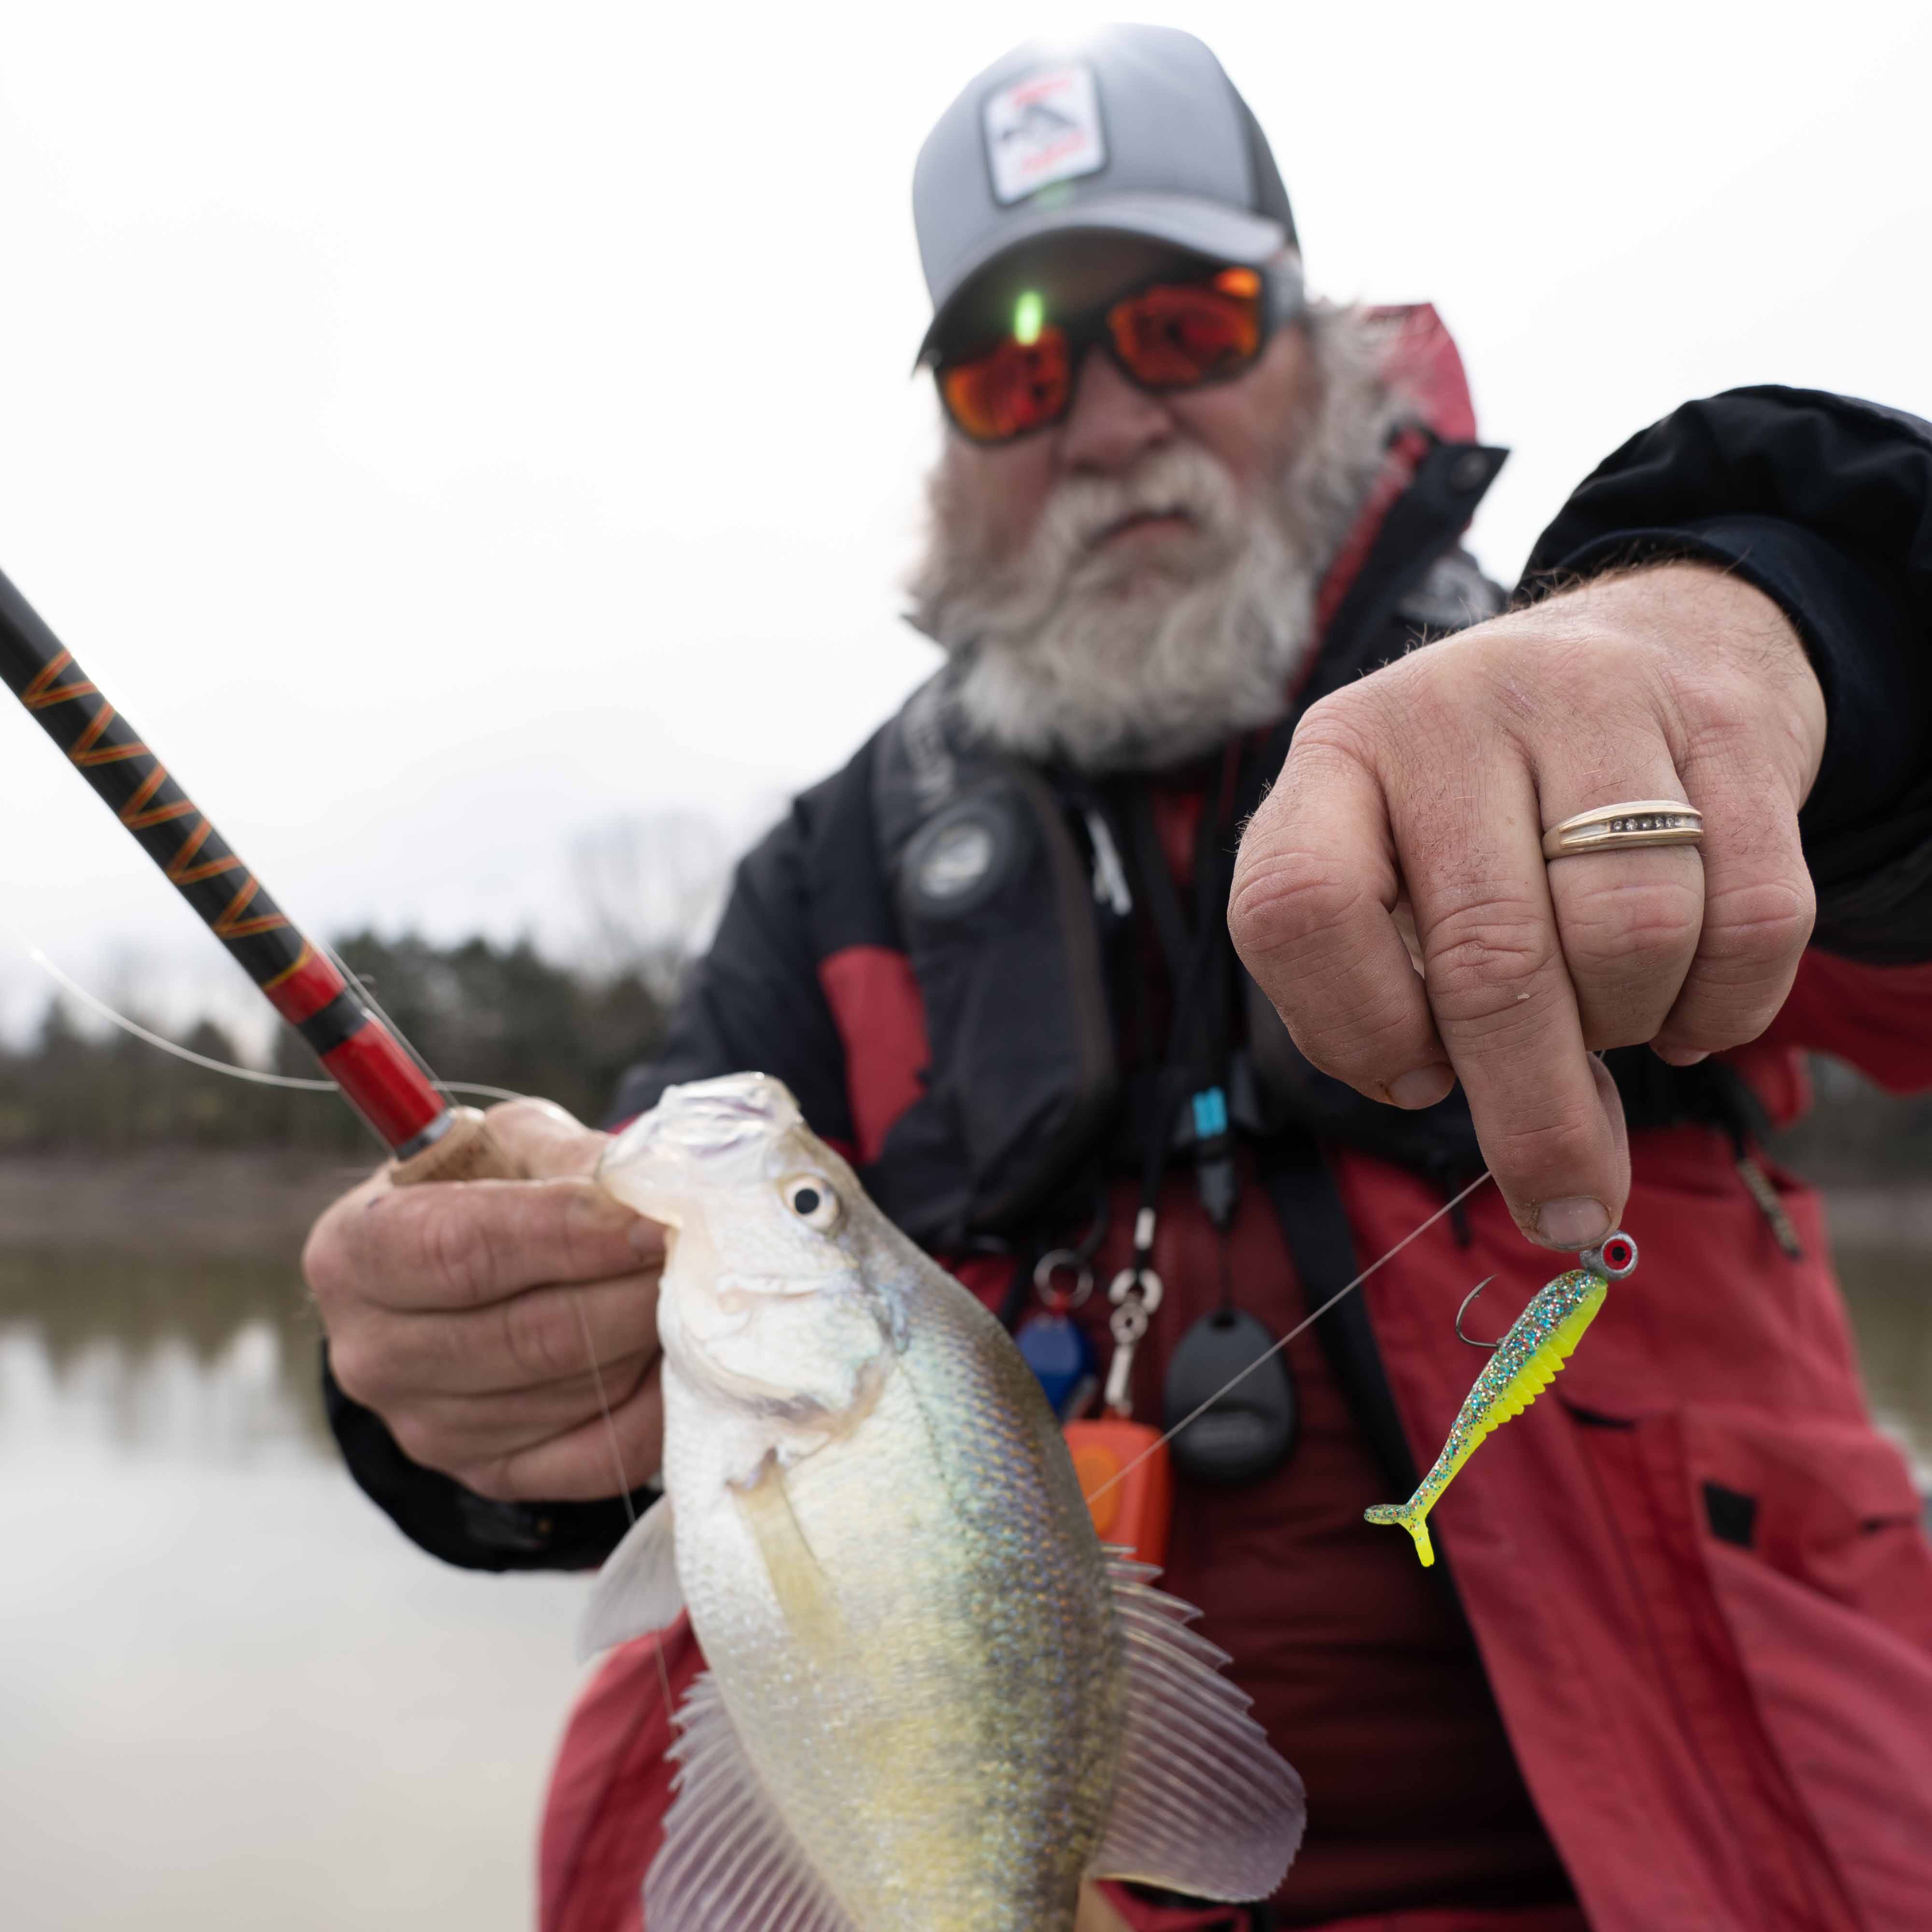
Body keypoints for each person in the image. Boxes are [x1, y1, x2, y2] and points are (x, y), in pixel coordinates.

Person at [304, 26, 1932, 1932]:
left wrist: (1787, 625)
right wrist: (462, 1398)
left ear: (1319, 349)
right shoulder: (825, 874)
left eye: (1181, 325)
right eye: (1010, 369)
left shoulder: (1560, 684)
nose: (1102, 417)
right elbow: (645, 1347)